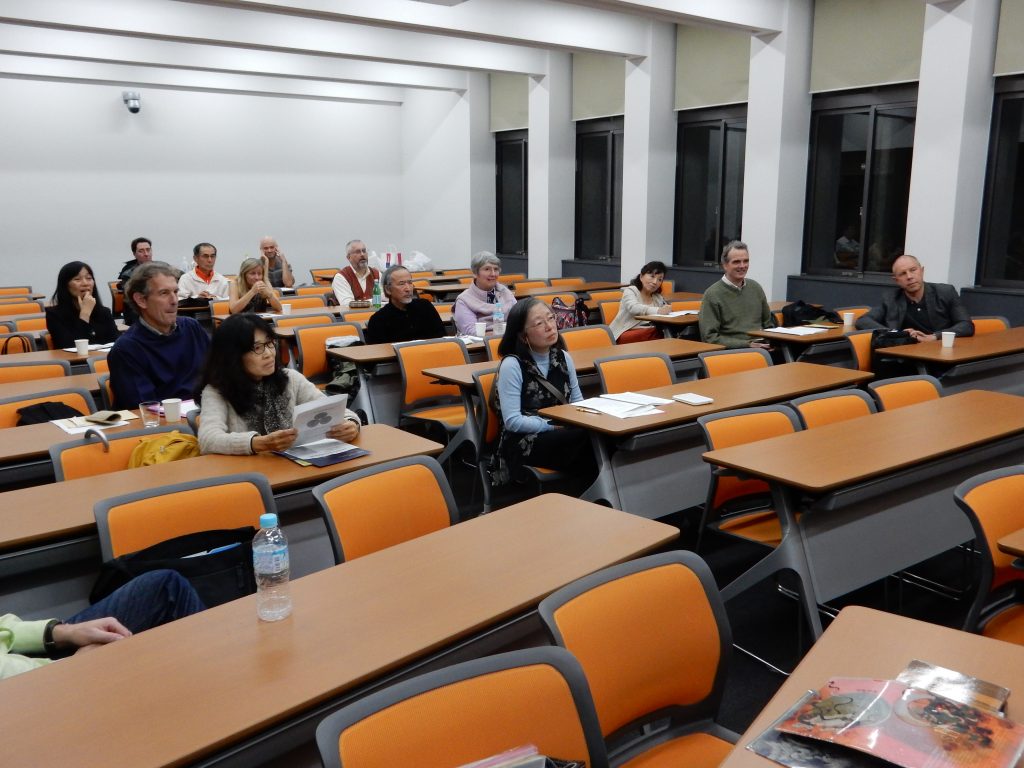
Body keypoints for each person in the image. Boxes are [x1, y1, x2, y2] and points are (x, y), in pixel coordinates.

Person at [197, 313, 361, 455]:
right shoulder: (217, 391)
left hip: (295, 465)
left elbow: (334, 409)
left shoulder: (291, 379)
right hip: (250, 474)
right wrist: (257, 443)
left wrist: (351, 424)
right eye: (257, 348)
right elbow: (207, 439)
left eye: (269, 344)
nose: (269, 354)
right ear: (233, 356)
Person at [1, 570, 203, 680]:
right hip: (25, 694)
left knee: (165, 587)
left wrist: (62, 632)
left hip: (20, 662)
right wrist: (68, 670)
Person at [493, 298, 597, 483]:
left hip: (562, 431)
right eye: (540, 323)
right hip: (525, 440)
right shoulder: (512, 365)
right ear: (523, 335)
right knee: (586, 441)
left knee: (599, 436)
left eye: (551, 318)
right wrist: (553, 426)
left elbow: (577, 401)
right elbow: (512, 421)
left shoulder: (563, 357)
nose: (550, 326)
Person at [108, 262, 210, 410]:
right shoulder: (127, 349)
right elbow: (144, 408)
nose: (174, 301)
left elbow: (218, 374)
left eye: (175, 292)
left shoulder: (191, 328)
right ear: (141, 300)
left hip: (207, 416)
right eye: (164, 293)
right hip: (165, 427)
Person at [856, 254, 975, 341]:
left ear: (922, 271)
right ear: (896, 280)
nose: (909, 277)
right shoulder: (891, 298)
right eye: (903, 274)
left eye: (913, 270)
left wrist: (934, 337)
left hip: (939, 351)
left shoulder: (945, 292)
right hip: (905, 357)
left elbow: (966, 325)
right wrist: (897, 334)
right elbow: (863, 321)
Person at [698, 240, 775, 349]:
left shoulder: (756, 288)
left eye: (746, 261)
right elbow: (709, 337)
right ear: (725, 265)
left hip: (763, 347)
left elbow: (769, 325)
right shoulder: (712, 295)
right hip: (735, 351)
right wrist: (747, 345)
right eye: (736, 262)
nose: (742, 266)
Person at [45, 261, 119, 349]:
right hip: (77, 362)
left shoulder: (104, 312)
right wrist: (85, 314)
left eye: (89, 278)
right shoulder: (54, 314)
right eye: (77, 279)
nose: (85, 283)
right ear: (65, 285)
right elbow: (69, 346)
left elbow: (116, 343)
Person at [364, 265, 445, 344]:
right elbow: (378, 354)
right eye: (401, 284)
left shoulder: (425, 307)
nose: (408, 289)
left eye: (410, 283)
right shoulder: (378, 320)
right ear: (388, 289)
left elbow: (442, 338)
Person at [452, 251, 517, 336]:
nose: (493, 274)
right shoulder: (464, 300)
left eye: (496, 269)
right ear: (475, 273)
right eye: (487, 269)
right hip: (481, 345)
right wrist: (503, 334)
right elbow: (471, 332)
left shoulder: (505, 292)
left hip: (510, 340)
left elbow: (519, 318)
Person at [609, 260, 670, 343]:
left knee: (664, 332)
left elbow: (665, 312)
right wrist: (658, 310)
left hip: (649, 333)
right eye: (652, 276)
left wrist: (668, 309)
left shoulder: (657, 297)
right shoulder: (630, 291)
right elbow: (634, 308)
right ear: (641, 277)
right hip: (626, 332)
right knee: (660, 333)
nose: (655, 282)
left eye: (660, 279)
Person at [332, 239, 379, 309]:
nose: (362, 254)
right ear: (348, 257)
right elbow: (347, 304)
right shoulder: (341, 277)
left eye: (364, 251)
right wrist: (374, 301)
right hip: (353, 317)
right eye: (357, 252)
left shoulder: (376, 273)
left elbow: (385, 298)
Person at [116, 236, 153, 325]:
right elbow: (131, 298)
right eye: (141, 251)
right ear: (134, 254)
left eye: (148, 250)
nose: (146, 254)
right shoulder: (128, 273)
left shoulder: (160, 268)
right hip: (137, 311)